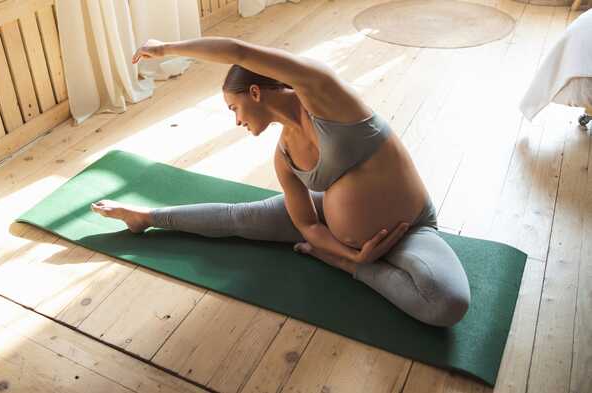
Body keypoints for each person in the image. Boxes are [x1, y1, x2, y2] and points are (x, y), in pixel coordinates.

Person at [92, 37, 470, 327]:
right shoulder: (283, 154)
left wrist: (169, 48)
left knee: (448, 303)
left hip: (408, 230)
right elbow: (306, 224)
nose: (236, 121)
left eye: (234, 108)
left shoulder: (326, 97)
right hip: (335, 232)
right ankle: (147, 216)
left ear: (255, 92)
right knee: (239, 218)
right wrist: (351, 254)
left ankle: (353, 271)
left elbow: (237, 49)